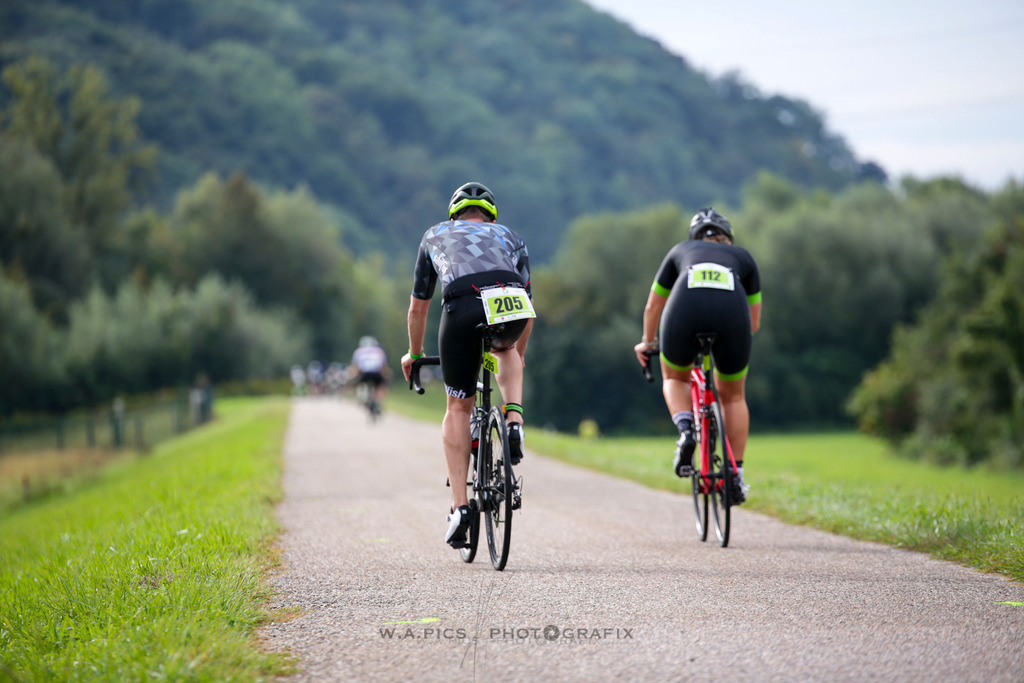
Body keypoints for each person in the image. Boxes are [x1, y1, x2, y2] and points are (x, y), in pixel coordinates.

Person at [400, 182, 534, 549]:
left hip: (462, 301)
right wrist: (517, 354)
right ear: (491, 215)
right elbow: (529, 305)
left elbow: (418, 308)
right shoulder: (511, 236)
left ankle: (460, 508)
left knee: (458, 407)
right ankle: (514, 420)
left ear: (454, 214)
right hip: (512, 298)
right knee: (505, 352)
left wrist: (414, 353)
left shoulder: (434, 235)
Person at [633, 207, 762, 503]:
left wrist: (647, 342)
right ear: (727, 238)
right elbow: (754, 323)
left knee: (674, 376)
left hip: (684, 311)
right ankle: (736, 475)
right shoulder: (743, 257)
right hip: (732, 316)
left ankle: (686, 429)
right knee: (733, 396)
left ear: (695, 239)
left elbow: (653, 307)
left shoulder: (681, 250)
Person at [349, 336, 391, 412]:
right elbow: (383, 367)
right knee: (381, 385)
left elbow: (356, 367)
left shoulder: (358, 351)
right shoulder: (379, 351)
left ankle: (360, 398)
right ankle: (378, 402)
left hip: (364, 374)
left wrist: (352, 377)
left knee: (357, 383)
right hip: (376, 373)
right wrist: (386, 376)